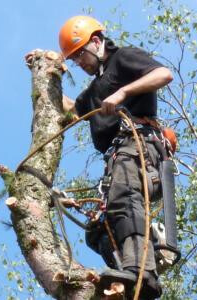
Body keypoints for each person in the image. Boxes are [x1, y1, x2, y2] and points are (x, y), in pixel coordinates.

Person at [40, 15, 174, 298]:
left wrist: (123, 91)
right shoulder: (93, 91)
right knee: (98, 229)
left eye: (79, 55)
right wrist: (46, 71)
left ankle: (141, 272)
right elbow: (69, 112)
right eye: (73, 59)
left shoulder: (123, 59)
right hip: (117, 158)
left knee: (124, 197)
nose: (79, 63)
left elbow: (163, 74)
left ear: (97, 42)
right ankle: (124, 277)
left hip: (138, 144)